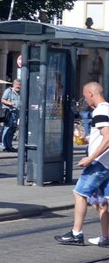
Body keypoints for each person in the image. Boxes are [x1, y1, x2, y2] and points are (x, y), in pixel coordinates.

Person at [56, 81, 109, 247]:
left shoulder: (100, 111)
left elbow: (108, 137)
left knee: (79, 194)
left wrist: (90, 158)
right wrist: (88, 139)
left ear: (91, 94)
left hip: (99, 163)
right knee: (102, 202)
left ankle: (76, 233)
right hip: (107, 163)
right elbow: (102, 135)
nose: (86, 100)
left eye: (86, 96)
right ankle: (106, 237)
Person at [1, 79, 21, 153]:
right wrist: (10, 103)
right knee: (7, 128)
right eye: (18, 84)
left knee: (12, 129)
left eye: (20, 85)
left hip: (16, 112)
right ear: (14, 84)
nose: (19, 86)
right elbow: (3, 100)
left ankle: (9, 146)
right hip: (9, 112)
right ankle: (4, 146)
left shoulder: (20, 93)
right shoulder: (8, 91)